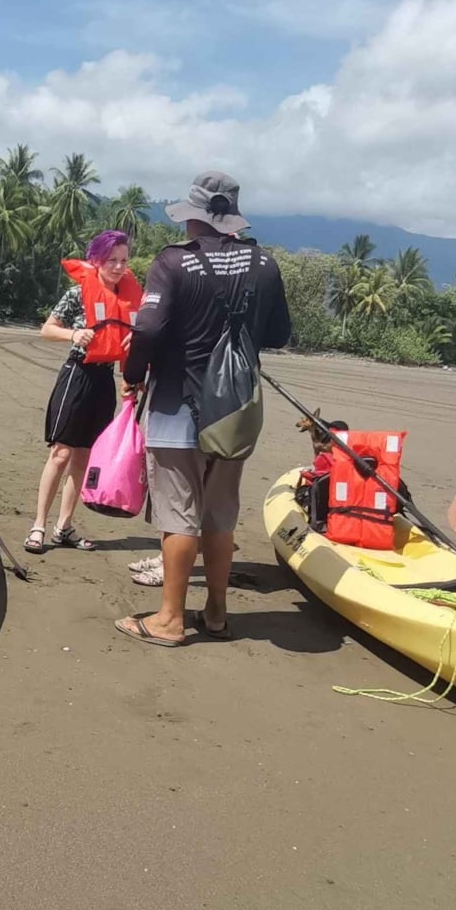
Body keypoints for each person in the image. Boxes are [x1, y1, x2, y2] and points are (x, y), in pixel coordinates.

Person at [114, 170, 292, 646]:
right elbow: (278, 335)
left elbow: (148, 329)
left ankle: (170, 619)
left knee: (179, 515)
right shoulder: (265, 264)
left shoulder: (173, 263)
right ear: (231, 217)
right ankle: (215, 612)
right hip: (235, 411)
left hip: (177, 404)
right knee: (219, 515)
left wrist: (132, 376)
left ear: (194, 219)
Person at [25, 230, 138, 555]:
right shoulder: (77, 294)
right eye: (111, 260)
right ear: (97, 261)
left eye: (123, 261)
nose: (118, 267)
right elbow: (46, 329)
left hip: (104, 381)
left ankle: (64, 527)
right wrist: (73, 334)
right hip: (76, 376)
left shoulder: (129, 300)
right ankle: (39, 525)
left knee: (84, 459)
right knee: (60, 454)